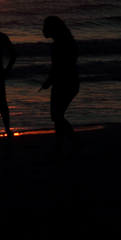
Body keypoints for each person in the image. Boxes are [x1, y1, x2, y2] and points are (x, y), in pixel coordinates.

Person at [39, 16, 84, 158]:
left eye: (45, 27)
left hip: (64, 83)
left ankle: (75, 143)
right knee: (58, 116)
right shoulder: (67, 42)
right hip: (71, 82)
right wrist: (50, 81)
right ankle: (59, 148)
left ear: (53, 29)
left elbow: (58, 67)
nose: (43, 30)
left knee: (56, 116)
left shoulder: (59, 44)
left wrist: (48, 82)